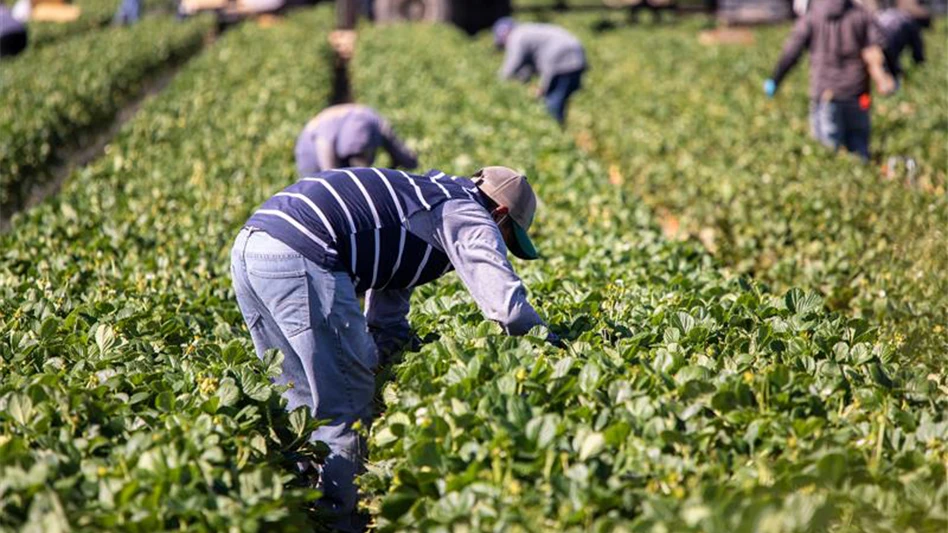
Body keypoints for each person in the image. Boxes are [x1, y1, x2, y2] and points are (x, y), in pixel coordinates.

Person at [230, 165, 558, 530]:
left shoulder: (425, 195)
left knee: (300, 394)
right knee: (347, 401)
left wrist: (398, 353)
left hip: (251, 245)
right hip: (302, 251)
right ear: (498, 214)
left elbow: (387, 312)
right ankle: (340, 521)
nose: (502, 248)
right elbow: (509, 312)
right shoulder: (469, 213)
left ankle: (306, 503)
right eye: (507, 238)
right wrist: (555, 347)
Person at [764, 0, 895, 161]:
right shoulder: (861, 14)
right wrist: (892, 74)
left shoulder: (812, 17)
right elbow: (881, 45)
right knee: (859, 150)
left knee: (828, 155)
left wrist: (776, 79)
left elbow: (792, 51)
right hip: (858, 94)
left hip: (827, 94)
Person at [493, 17, 587, 125]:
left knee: (552, 101)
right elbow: (529, 66)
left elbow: (513, 63)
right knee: (559, 99)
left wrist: (499, 81)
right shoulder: (527, 32)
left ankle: (555, 131)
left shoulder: (517, 36)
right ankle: (560, 129)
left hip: (563, 57)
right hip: (576, 54)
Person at [294, 104, 418, 177]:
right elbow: (329, 174)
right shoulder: (325, 136)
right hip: (311, 155)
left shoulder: (375, 122)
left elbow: (401, 152)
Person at [876, 7, 927, 84]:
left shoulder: (903, 17)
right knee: (891, 72)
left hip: (881, 36)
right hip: (888, 38)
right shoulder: (910, 24)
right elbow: (918, 53)